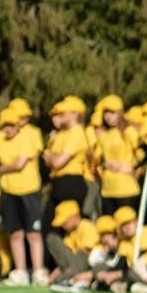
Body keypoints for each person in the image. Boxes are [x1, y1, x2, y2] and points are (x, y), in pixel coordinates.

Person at [0, 100, 48, 285]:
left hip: (29, 189)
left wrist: (2, 168)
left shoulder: (31, 134)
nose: (10, 128)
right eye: (7, 125)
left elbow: (20, 164)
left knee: (33, 233)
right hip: (8, 190)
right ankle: (20, 270)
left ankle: (38, 270)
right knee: (15, 232)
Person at [43, 96, 94, 227]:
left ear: (75, 114)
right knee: (48, 225)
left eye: (63, 112)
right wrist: (51, 157)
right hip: (58, 182)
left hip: (71, 183)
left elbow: (57, 162)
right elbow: (48, 161)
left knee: (66, 225)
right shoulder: (62, 134)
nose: (60, 115)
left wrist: (51, 157)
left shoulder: (77, 133)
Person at [92, 96, 143, 218]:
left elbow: (142, 153)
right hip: (107, 189)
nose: (108, 116)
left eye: (112, 113)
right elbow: (97, 158)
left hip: (126, 189)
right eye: (106, 113)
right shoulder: (105, 135)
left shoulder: (129, 131)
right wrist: (106, 164)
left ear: (120, 113)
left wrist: (132, 167)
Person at [46, 201, 97, 289]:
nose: (62, 225)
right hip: (73, 263)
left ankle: (67, 277)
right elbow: (64, 257)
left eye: (64, 221)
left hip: (85, 260)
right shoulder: (70, 233)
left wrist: (70, 269)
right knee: (51, 238)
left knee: (80, 256)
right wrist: (53, 275)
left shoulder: (87, 226)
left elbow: (87, 252)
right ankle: (66, 277)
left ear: (74, 217)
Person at [86, 215, 131, 293]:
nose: (103, 240)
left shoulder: (125, 246)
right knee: (98, 270)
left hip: (126, 275)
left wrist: (113, 274)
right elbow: (93, 262)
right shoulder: (107, 250)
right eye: (102, 236)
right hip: (112, 274)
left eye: (106, 236)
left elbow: (127, 267)